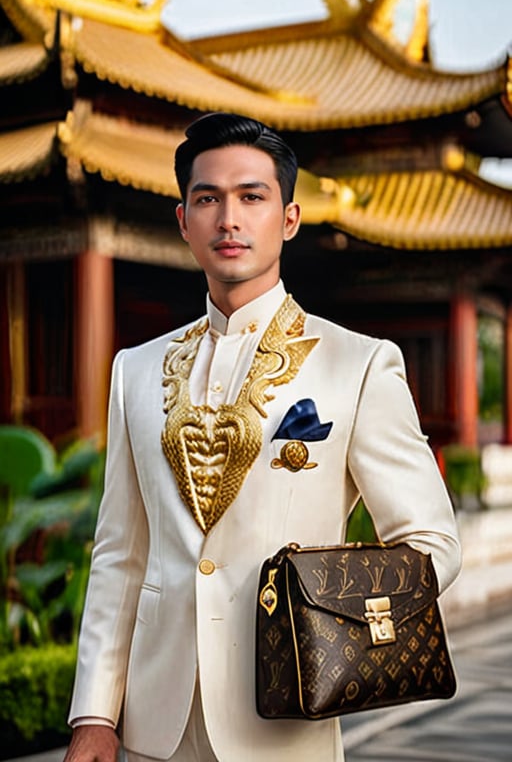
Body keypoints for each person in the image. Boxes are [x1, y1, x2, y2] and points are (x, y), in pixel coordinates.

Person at [64, 112, 461, 762]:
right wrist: (92, 714)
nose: (229, 218)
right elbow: (119, 556)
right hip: (148, 727)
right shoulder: (133, 370)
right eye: (208, 199)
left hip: (287, 720)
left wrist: (324, 601)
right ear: (182, 220)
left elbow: (434, 545)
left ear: (290, 218)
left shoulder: (358, 364)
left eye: (252, 196)